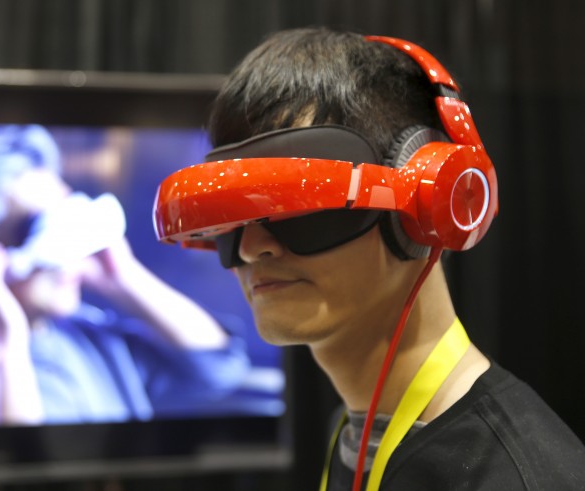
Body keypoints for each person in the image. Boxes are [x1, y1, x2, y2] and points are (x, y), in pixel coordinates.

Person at [152, 28, 585, 490]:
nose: (249, 247)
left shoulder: (515, 477)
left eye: (297, 203)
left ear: (428, 206)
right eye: (236, 215)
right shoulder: (357, 436)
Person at [0, 124, 250, 429]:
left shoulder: (81, 337)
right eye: (33, 228)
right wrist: (2, 358)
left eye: (66, 215)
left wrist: (123, 275)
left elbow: (220, 370)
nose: (65, 247)